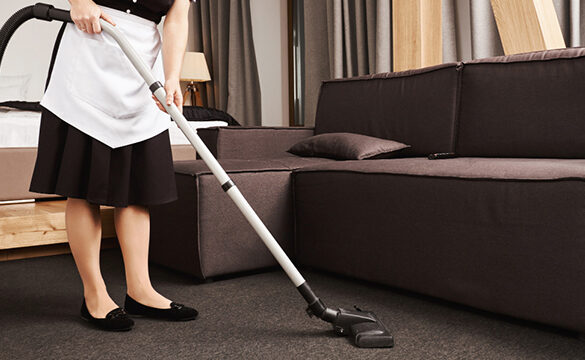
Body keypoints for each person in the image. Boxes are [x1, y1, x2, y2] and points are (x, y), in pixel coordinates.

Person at [28, 0, 198, 331]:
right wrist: (79, 1)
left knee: (137, 191)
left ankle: (141, 290)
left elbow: (177, 18)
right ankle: (94, 295)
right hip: (90, 49)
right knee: (82, 187)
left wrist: (173, 76)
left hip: (142, 68)